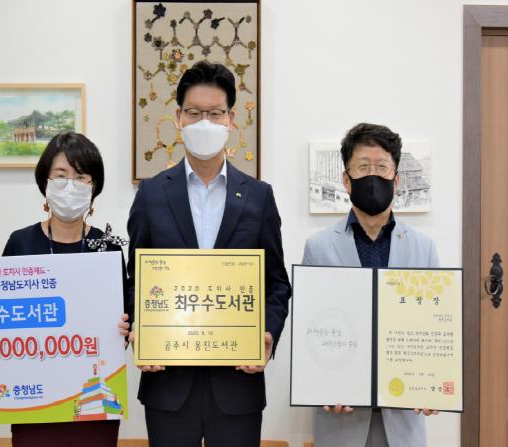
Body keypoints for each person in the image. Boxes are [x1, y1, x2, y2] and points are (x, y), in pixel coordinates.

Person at [126, 60, 292, 447]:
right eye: (194, 113)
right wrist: (140, 329)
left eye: (215, 114)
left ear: (231, 119)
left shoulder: (258, 196)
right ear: (178, 118)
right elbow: (135, 280)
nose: (205, 123)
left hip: (237, 382)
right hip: (168, 382)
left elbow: (277, 284)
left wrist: (268, 333)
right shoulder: (151, 194)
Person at [302, 123, 439, 447]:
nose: (373, 176)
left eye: (382, 167)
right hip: (341, 418)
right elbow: (312, 329)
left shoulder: (424, 248)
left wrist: (434, 384)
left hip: (403, 417)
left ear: (396, 179)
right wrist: (322, 385)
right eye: (363, 167)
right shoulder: (318, 247)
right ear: (346, 179)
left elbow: (434, 325)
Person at [2, 132, 130, 447]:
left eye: (81, 177)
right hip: (34, 398)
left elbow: (125, 316)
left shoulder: (108, 247)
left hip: (94, 399)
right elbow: (0, 318)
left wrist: (125, 328)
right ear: (45, 183)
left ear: (94, 187)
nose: (70, 186)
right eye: (60, 176)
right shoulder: (21, 243)